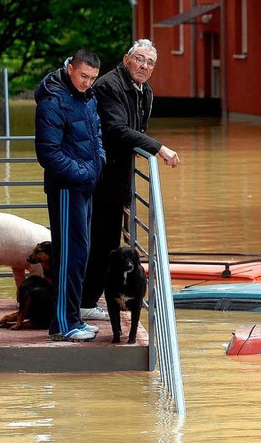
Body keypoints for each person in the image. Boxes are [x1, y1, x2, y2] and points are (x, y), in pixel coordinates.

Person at [80, 39, 180, 320]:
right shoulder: (110, 85)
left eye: (150, 63)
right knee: (100, 242)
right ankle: (85, 302)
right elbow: (116, 130)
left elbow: (135, 129)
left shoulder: (144, 91)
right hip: (99, 175)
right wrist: (158, 148)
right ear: (126, 59)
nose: (144, 66)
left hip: (118, 178)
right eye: (139, 59)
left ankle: (94, 300)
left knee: (109, 241)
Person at [34, 49, 106, 342]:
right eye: (83, 76)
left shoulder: (86, 96)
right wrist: (84, 173)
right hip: (66, 189)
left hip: (83, 185)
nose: (87, 82)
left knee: (80, 254)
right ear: (71, 68)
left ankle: (73, 317)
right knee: (68, 256)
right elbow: (48, 154)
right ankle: (63, 324)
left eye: (92, 78)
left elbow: (97, 135)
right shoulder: (53, 100)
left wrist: (98, 163)